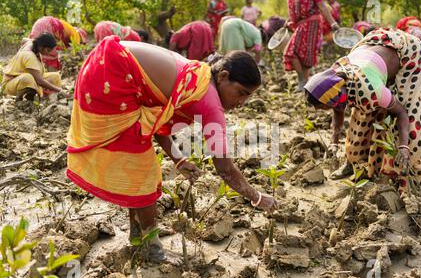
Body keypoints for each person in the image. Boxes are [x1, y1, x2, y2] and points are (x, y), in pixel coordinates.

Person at [66, 37, 278, 263]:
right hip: (112, 72)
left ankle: (138, 234)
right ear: (224, 76)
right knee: (142, 171)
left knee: (139, 162)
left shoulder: (199, 77)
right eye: (242, 93)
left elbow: (153, 120)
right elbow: (224, 168)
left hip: (107, 65)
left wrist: (179, 161)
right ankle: (151, 246)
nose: (242, 102)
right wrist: (257, 198)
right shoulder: (210, 101)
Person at [304, 28, 421, 193]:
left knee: (408, 110)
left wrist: (403, 146)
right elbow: (338, 109)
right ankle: (356, 164)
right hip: (372, 49)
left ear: (331, 99)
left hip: (409, 53)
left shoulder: (371, 89)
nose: (320, 110)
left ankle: (410, 178)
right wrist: (334, 142)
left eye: (321, 107)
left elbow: (401, 113)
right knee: (362, 115)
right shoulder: (336, 81)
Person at [283, 0, 340, 92]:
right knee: (299, 54)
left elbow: (322, 6)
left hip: (311, 24)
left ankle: (303, 82)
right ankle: (304, 82)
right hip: (300, 25)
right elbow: (294, 12)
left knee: (293, 52)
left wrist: (333, 23)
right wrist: (288, 21)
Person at [2, 33, 63, 109]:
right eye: (48, 50)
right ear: (41, 47)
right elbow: (40, 81)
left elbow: (24, 40)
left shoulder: (33, 43)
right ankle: (22, 101)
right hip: (11, 83)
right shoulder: (29, 56)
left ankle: (51, 101)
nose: (48, 53)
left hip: (28, 78)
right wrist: (59, 90)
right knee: (28, 78)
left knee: (55, 77)